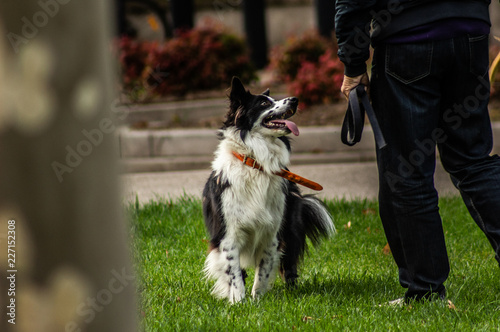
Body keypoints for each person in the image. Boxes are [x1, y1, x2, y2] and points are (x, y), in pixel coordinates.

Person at [335, 0, 500, 303]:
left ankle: (425, 290)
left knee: (407, 172)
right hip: (471, 32)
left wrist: (354, 65)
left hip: (407, 39)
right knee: (473, 160)